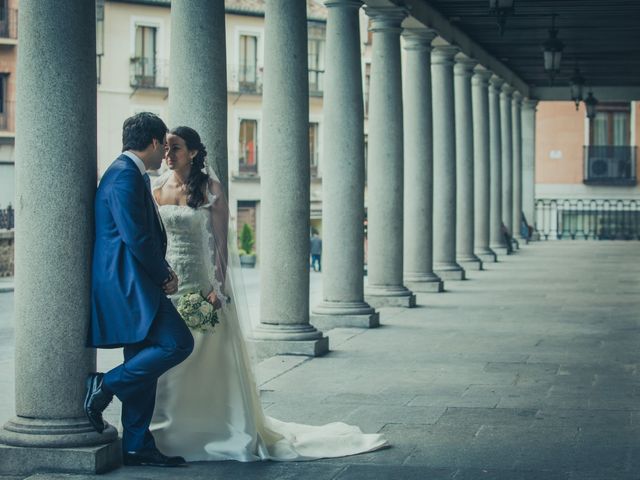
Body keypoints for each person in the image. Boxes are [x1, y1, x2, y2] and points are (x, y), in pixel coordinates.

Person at [150, 126, 388, 461]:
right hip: (168, 286)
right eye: (166, 148)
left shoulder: (210, 188)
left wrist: (218, 290)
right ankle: (168, 431)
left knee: (206, 360)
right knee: (170, 363)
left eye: (175, 148)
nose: (168, 154)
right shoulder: (156, 187)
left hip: (201, 286)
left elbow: (220, 245)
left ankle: (213, 426)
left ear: (192, 152)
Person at [85, 112, 194, 467]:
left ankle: (135, 445)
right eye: (163, 144)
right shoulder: (124, 176)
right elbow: (137, 236)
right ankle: (106, 385)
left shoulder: (129, 173)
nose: (165, 152)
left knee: (142, 362)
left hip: (134, 281)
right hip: (129, 284)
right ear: (151, 143)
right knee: (178, 343)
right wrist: (164, 274)